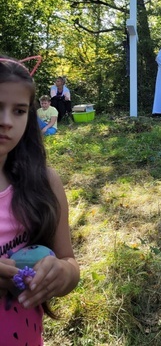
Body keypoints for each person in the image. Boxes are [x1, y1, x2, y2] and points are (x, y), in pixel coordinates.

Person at [0, 56, 80, 345]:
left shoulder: (44, 183)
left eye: (19, 111)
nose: (6, 121)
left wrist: (61, 274)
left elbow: (68, 262)